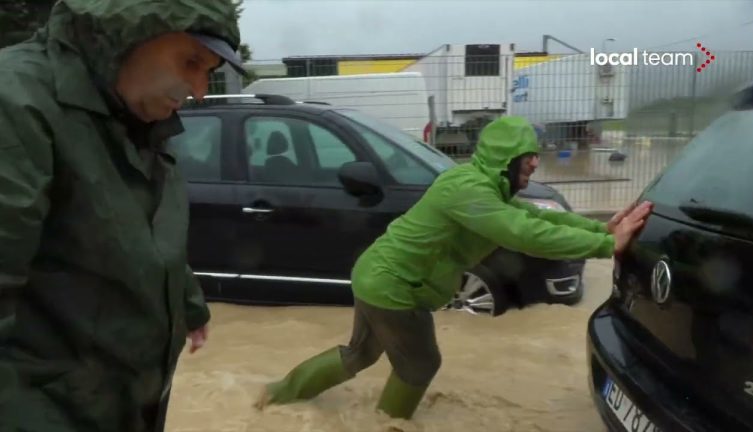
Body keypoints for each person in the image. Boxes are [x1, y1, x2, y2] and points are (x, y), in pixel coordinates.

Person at [256, 116, 652, 419]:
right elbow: (523, 233)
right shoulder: (469, 191)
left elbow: (537, 217)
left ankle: (277, 395)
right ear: (506, 158)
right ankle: (389, 423)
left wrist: (599, 229)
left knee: (360, 354)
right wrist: (605, 246)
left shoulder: (482, 185)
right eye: (528, 156)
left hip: (378, 277)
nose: (535, 161)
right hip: (395, 287)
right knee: (420, 364)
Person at [0, 1, 243, 430]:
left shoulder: (136, 115)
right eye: (190, 62)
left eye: (207, 71)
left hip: (124, 403)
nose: (200, 90)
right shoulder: (16, 102)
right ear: (128, 33)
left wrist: (187, 305)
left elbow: (143, 229)